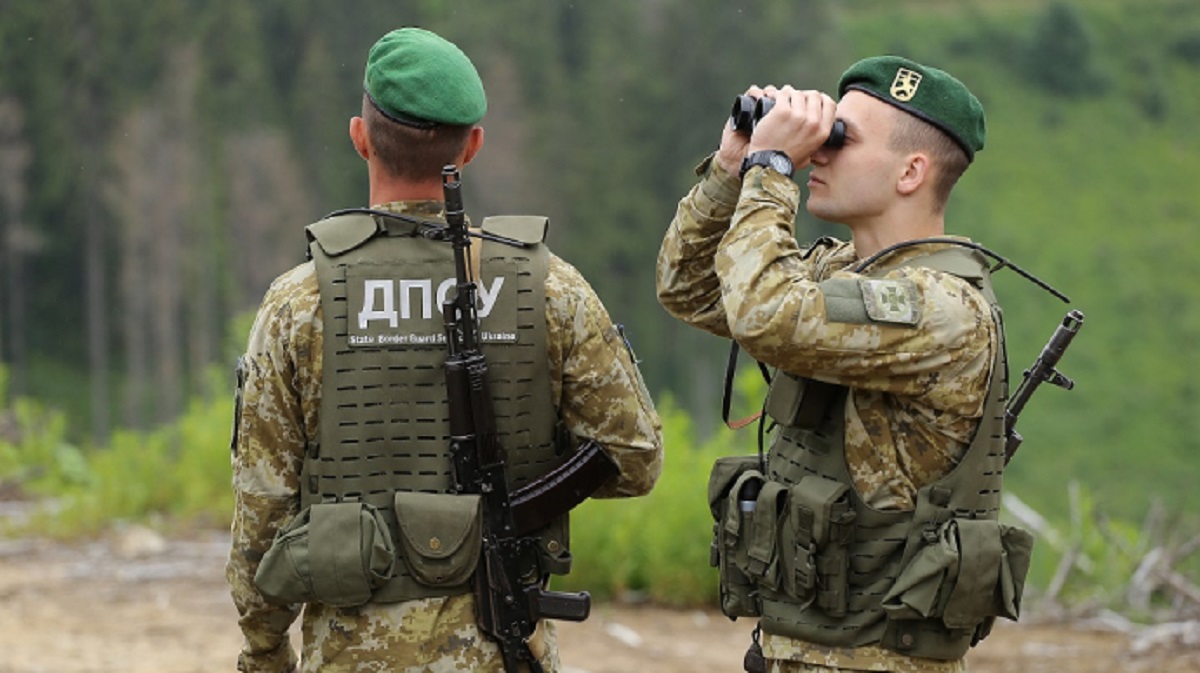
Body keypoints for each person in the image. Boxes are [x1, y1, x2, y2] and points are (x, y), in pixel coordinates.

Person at [227, 27, 663, 673]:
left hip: (350, 653)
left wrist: (264, 649)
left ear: (360, 137)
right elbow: (634, 460)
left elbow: (263, 505)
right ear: (474, 145)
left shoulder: (299, 303)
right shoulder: (550, 288)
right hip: (501, 647)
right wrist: (525, 462)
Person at [657, 56, 1032, 672]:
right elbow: (689, 287)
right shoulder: (838, 273)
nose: (819, 153)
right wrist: (731, 168)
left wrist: (772, 168)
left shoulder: (940, 308)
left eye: (841, 139)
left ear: (911, 172)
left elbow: (764, 313)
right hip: (803, 647)